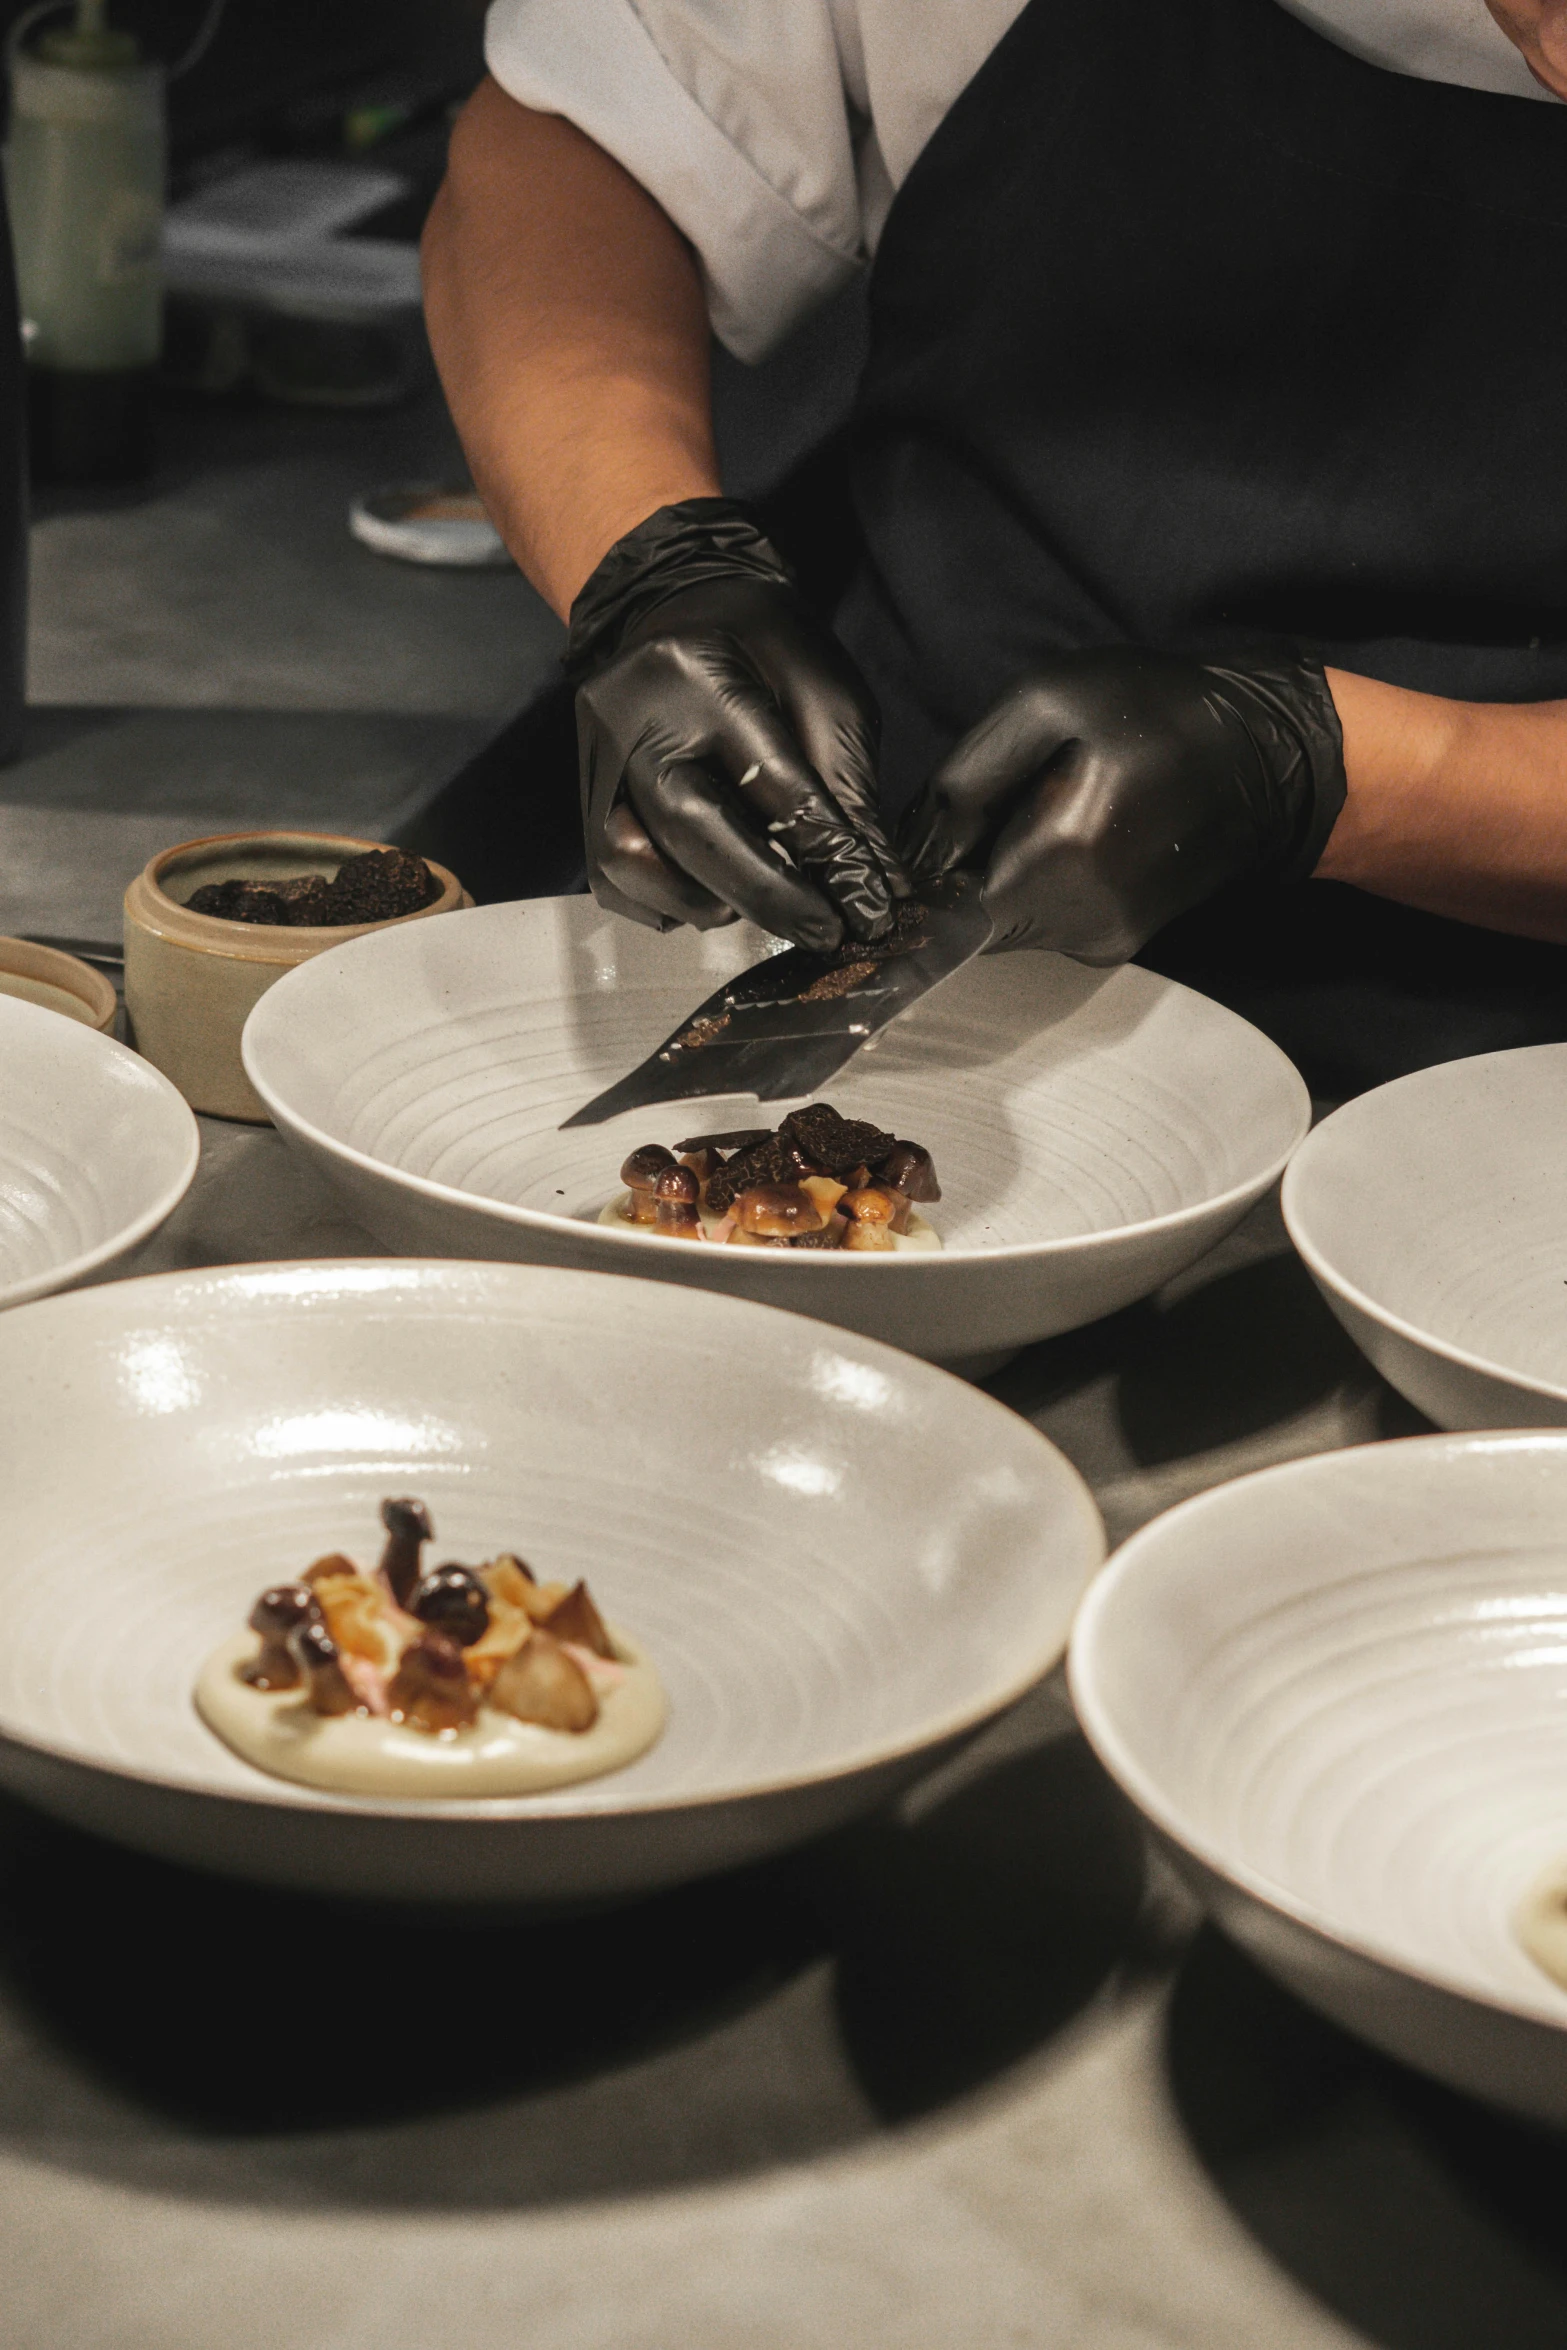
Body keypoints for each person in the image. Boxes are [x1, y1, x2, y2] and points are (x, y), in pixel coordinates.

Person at [410, 0, 1567, 1093]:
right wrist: (652, 567)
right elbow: (584, 143)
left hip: (1501, 1084)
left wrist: (1328, 769)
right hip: (912, 914)